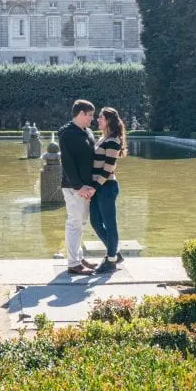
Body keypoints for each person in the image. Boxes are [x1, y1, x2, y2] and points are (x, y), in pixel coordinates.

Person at [58, 100, 98, 275]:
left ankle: (78, 257)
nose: (92, 119)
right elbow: (67, 163)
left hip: (86, 187)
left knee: (80, 223)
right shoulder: (67, 134)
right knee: (74, 223)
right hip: (74, 187)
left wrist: (90, 186)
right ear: (81, 114)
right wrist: (78, 186)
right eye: (90, 115)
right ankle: (73, 264)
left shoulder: (87, 132)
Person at [90, 106, 127, 274]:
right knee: (96, 223)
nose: (98, 120)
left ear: (109, 121)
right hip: (99, 187)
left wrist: (95, 187)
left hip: (106, 187)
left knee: (110, 225)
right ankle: (115, 252)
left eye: (101, 118)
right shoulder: (103, 138)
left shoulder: (113, 140)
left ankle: (111, 260)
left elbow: (108, 168)